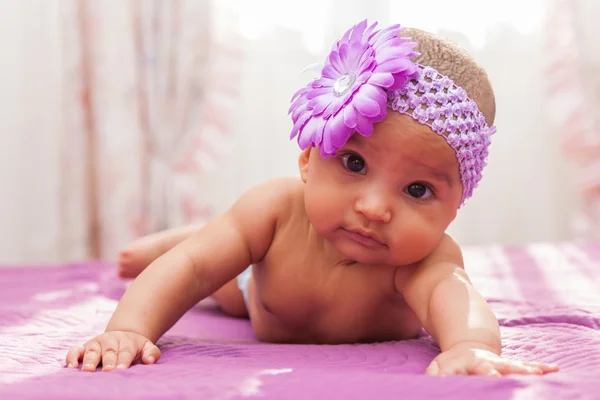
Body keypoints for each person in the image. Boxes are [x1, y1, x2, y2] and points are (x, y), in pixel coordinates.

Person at [65, 20, 559, 377]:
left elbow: (458, 300)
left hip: (279, 292)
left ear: (455, 208)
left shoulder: (426, 260)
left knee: (228, 244)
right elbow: (193, 268)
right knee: (215, 264)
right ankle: (198, 234)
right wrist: (130, 328)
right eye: (354, 163)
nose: (373, 207)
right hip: (252, 290)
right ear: (307, 160)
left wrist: (472, 346)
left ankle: (219, 233)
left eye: (417, 190)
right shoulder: (277, 210)